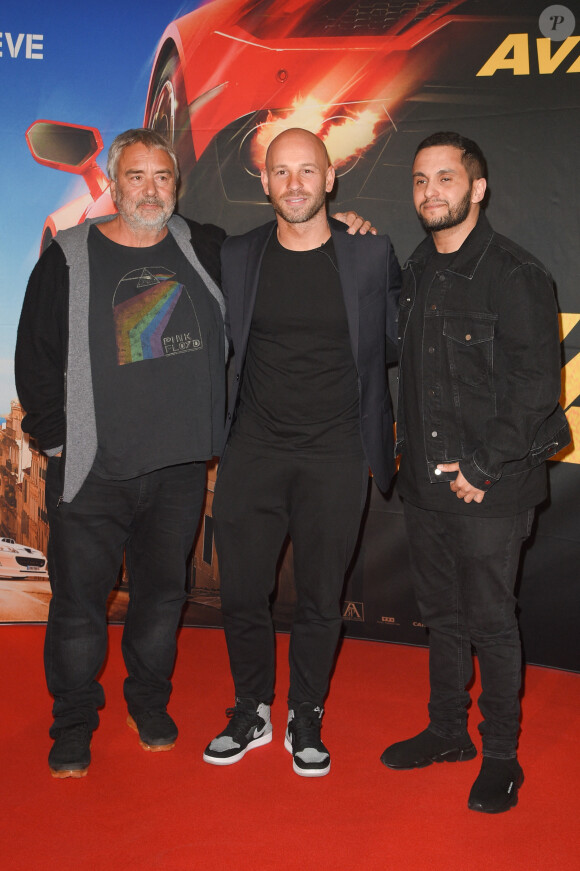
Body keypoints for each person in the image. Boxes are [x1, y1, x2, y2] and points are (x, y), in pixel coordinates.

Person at [15, 127, 371, 779]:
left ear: (176, 187)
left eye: (162, 178)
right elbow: (33, 358)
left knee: (159, 599)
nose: (149, 190)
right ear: (114, 184)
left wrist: (343, 230)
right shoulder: (67, 254)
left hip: (179, 471)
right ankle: (72, 721)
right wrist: (60, 441)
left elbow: (293, 241)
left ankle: (147, 704)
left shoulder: (204, 246)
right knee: (77, 607)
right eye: (135, 177)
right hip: (92, 471)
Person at [380, 131, 570, 812]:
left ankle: (500, 756)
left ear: (478, 189)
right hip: (428, 484)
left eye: (446, 178)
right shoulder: (420, 268)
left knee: (490, 621)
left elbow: (535, 387)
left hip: (493, 482)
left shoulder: (517, 274)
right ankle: (446, 731)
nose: (432, 192)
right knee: (443, 616)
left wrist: (482, 468)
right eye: (421, 180)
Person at [203, 128, 401, 777]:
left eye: (306, 171)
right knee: (240, 593)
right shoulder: (237, 255)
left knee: (321, 596)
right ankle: (252, 707)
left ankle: (305, 713)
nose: (294, 183)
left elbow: (394, 342)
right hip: (252, 449)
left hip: (337, 451)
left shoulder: (371, 254)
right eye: (281, 171)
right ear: (264, 183)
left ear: (330, 178)